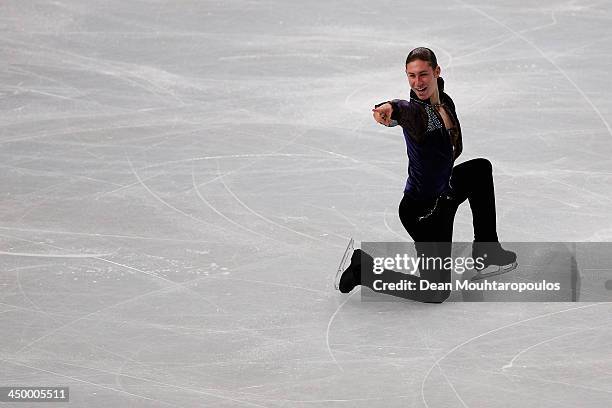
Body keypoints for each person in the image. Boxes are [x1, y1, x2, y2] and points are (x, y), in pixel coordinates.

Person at [336, 47, 517, 303]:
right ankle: (363, 269)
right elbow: (403, 110)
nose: (417, 82)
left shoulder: (445, 103)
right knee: (436, 292)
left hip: (445, 193)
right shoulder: (419, 115)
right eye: (411, 76)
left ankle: (487, 251)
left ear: (436, 72)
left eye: (423, 74)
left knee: (480, 169)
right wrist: (390, 108)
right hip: (423, 213)